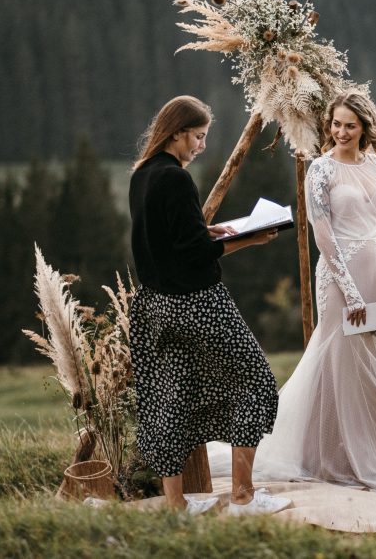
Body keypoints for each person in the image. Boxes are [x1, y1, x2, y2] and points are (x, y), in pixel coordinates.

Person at [253, 91, 376, 493]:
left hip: (375, 277)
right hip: (338, 278)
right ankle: (328, 456)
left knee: (372, 355)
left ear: (365, 127)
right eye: (336, 124)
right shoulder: (320, 170)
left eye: (350, 125)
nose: (341, 132)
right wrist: (351, 294)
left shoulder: (375, 165)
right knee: (336, 355)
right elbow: (323, 235)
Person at [128, 95, 291, 516]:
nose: (201, 145)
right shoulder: (176, 179)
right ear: (178, 132)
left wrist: (208, 230)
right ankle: (242, 496)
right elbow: (195, 254)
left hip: (155, 307)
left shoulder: (141, 175)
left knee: (172, 397)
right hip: (198, 305)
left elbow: (171, 245)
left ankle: (177, 503)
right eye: (198, 137)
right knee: (256, 382)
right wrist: (249, 237)